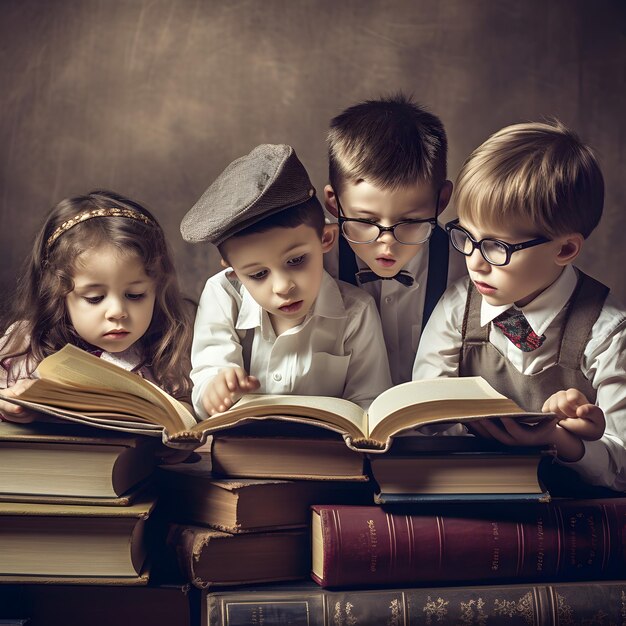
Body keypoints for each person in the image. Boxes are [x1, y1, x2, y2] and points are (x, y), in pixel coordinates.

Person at [413, 120, 626, 491]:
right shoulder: (458, 307)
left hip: (566, 515)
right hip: (467, 495)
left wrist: (562, 440)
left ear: (564, 249)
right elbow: (424, 421)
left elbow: (620, 466)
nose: (474, 262)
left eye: (498, 247)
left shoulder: (607, 333)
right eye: (467, 237)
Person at [180, 143, 392, 419]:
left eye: (296, 261)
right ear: (233, 270)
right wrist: (215, 390)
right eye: (258, 274)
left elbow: (369, 401)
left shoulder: (357, 311)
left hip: (332, 457)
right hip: (241, 454)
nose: (283, 287)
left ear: (326, 239)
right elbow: (208, 376)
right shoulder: (222, 295)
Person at [0, 189, 194, 423]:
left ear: (157, 289)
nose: (117, 312)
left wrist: (181, 436)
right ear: (58, 294)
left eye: (135, 295)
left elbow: (183, 409)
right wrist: (9, 405)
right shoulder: (25, 344)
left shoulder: (165, 347)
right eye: (94, 298)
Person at [323, 93, 466, 385]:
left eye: (411, 221)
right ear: (334, 203)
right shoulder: (312, 259)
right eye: (365, 221)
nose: (387, 243)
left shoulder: (468, 264)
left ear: (442, 201)